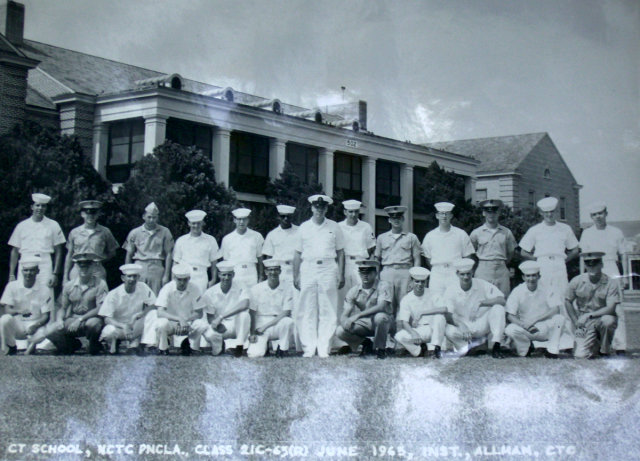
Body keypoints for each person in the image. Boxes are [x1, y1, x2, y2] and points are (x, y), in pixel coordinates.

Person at [293, 194, 345, 358]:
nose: (319, 210)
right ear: (311, 208)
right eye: (316, 207)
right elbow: (297, 253)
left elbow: (341, 252)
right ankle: (309, 348)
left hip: (328, 267)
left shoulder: (335, 227)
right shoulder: (303, 227)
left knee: (328, 309)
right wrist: (296, 275)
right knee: (307, 309)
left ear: (326, 209)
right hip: (308, 267)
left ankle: (324, 348)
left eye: (322, 207)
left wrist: (341, 274)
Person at [579, 201, 627, 354]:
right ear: (591, 217)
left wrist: (624, 277)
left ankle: (620, 346)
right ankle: (597, 344)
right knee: (594, 305)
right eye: (594, 215)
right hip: (593, 268)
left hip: (611, 267)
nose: (598, 217)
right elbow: (583, 256)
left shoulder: (616, 232)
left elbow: (623, 255)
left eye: (600, 213)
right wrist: (583, 275)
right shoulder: (587, 233)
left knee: (617, 308)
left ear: (606, 213)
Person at [519, 197, 579, 307]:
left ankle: (564, 322)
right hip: (542, 265)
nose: (549, 215)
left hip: (559, 264)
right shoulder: (535, 230)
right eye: (546, 212)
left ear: (556, 211)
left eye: (552, 212)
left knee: (562, 294)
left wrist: (564, 260)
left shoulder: (565, 228)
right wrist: (537, 261)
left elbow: (575, 250)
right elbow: (523, 251)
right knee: (543, 294)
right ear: (541, 213)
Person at [443, 258, 506, 358]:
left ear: (472, 272)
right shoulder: (451, 289)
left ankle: (496, 346)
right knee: (447, 329)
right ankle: (465, 348)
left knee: (498, 308)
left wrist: (482, 303)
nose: (466, 277)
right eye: (462, 274)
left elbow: (501, 300)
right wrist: (461, 324)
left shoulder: (481, 284)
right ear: (457, 274)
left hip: (480, 323)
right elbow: (447, 314)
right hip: (463, 327)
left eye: (468, 273)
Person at [48, 253, 108, 355]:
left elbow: (100, 308)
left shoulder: (100, 284)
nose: (83, 269)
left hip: (91, 318)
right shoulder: (69, 285)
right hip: (73, 318)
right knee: (50, 331)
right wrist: (59, 320)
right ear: (76, 267)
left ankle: (95, 345)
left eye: (87, 266)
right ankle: (72, 345)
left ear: (93, 266)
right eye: (81, 266)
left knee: (93, 325)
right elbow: (63, 307)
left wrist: (80, 319)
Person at [504, 261, 566, 358]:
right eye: (528, 276)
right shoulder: (517, 291)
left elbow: (555, 309)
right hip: (527, 328)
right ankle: (526, 349)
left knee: (560, 319)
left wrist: (535, 320)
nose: (531, 279)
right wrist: (523, 325)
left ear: (539, 276)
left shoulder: (547, 288)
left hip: (544, 326)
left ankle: (552, 351)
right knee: (510, 329)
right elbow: (510, 315)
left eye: (534, 275)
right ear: (523, 277)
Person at [142, 265, 207, 355]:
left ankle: (192, 347)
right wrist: (179, 320)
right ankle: (163, 348)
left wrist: (185, 321)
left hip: (188, 323)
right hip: (171, 323)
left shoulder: (195, 288)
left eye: (185, 279)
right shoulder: (166, 288)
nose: (182, 282)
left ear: (189, 278)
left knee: (202, 324)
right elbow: (160, 312)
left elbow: (199, 313)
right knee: (161, 323)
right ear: (174, 278)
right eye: (179, 279)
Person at [335, 260, 393, 359]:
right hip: (366, 323)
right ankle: (366, 344)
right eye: (362, 272)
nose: (365, 275)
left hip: (385, 323)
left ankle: (380, 349)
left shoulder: (383, 285)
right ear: (359, 273)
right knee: (340, 331)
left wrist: (357, 315)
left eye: (369, 272)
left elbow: (381, 307)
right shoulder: (354, 290)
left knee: (380, 317)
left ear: (375, 273)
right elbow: (345, 312)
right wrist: (345, 321)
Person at [565, 251, 619, 358]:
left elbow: (611, 308)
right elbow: (567, 301)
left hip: (601, 318)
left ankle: (605, 350)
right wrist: (576, 321)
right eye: (588, 264)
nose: (592, 267)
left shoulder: (610, 282)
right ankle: (595, 345)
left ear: (601, 264)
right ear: (585, 265)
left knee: (608, 321)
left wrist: (589, 315)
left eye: (595, 263)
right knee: (580, 355)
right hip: (584, 322)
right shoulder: (576, 281)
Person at [8, 193, 65, 291]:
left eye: (43, 206)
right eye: (37, 205)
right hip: (25, 263)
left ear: (46, 208)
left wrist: (55, 274)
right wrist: (11, 274)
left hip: (44, 264)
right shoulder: (21, 226)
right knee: (24, 295)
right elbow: (15, 251)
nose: (40, 208)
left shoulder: (53, 225)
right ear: (32, 207)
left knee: (45, 295)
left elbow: (59, 250)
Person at [98, 264, 156, 355]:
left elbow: (153, 305)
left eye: (135, 276)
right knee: (109, 331)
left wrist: (142, 313)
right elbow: (107, 318)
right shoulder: (114, 294)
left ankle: (147, 345)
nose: (132, 279)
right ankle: (112, 345)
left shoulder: (143, 287)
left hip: (135, 326)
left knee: (153, 314)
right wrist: (123, 326)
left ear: (138, 277)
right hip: (120, 328)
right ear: (123, 278)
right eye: (129, 276)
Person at [0, 256, 53, 355]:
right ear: (21, 271)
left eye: (32, 270)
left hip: (34, 324)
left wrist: (35, 326)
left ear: (38, 271)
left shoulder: (44, 289)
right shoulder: (12, 286)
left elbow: (46, 316)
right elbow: (7, 310)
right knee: (4, 319)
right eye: (26, 270)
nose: (28, 273)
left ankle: (32, 344)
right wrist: (19, 311)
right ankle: (11, 346)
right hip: (17, 324)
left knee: (44, 332)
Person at [197, 261, 251, 357]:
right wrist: (217, 324)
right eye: (224, 275)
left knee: (245, 315)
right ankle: (220, 346)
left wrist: (221, 316)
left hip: (236, 324)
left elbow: (245, 304)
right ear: (219, 275)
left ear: (233, 275)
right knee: (209, 334)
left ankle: (239, 346)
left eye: (229, 275)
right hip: (220, 325)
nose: (226, 278)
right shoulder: (210, 292)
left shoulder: (241, 285)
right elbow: (210, 317)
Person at [421, 202, 475, 298]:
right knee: (436, 301)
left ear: (451, 216)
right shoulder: (430, 236)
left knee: (457, 301)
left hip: (455, 273)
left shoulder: (461, 234)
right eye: (441, 213)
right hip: (437, 274)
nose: (444, 216)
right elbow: (428, 259)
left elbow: (467, 257)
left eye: (447, 213)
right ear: (437, 216)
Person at [374, 205, 421, 315]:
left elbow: (417, 259)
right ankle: (388, 330)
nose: (396, 221)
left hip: (405, 273)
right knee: (386, 304)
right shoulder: (381, 238)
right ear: (389, 220)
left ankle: (401, 330)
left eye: (399, 218)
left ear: (403, 219)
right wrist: (377, 276)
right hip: (387, 273)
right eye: (393, 218)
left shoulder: (411, 237)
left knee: (404, 303)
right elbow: (377, 259)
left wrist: (414, 278)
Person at [394, 267, 447, 359]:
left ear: (426, 282)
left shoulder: (432, 293)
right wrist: (413, 333)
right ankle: (419, 351)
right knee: (399, 336)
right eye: (417, 281)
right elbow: (404, 322)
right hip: (420, 330)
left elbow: (444, 309)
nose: (420, 284)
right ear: (412, 282)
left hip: (435, 329)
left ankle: (434, 349)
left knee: (440, 317)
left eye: (423, 282)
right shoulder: (407, 299)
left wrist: (423, 313)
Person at [246, 259, 295, 358]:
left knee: (288, 321)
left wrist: (266, 326)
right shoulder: (256, 288)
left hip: (278, 321)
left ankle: (282, 349)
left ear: (280, 271)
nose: (273, 272)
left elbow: (286, 312)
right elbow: (252, 312)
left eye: (276, 269)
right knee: (254, 355)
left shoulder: (287, 288)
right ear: (265, 272)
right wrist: (252, 333)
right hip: (261, 322)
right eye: (270, 270)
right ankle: (265, 346)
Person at [123, 202, 174, 295]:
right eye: (149, 217)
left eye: (154, 217)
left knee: (156, 298)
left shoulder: (165, 232)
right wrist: (128, 273)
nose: (151, 220)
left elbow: (169, 254)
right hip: (139, 268)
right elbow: (129, 254)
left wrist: (166, 275)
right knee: (138, 297)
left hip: (157, 269)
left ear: (157, 218)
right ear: (144, 217)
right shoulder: (135, 233)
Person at [64, 200, 119, 284]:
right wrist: (65, 276)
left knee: (99, 293)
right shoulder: (74, 232)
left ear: (98, 215)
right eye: (87, 213)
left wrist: (100, 259)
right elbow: (69, 255)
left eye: (93, 213)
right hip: (78, 267)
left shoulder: (105, 232)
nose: (90, 216)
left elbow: (112, 252)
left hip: (96, 269)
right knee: (75, 294)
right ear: (82, 214)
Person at [470, 199, 517, 297]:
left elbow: (511, 251)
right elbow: (470, 253)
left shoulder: (506, 232)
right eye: (488, 211)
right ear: (483, 213)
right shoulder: (476, 233)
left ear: (499, 213)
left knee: (503, 298)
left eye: (494, 211)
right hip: (484, 269)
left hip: (501, 269)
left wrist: (503, 263)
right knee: (482, 298)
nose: (491, 215)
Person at [338, 200, 376, 315]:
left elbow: (371, 247)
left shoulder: (366, 227)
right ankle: (342, 327)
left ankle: (361, 326)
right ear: (345, 212)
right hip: (344, 264)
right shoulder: (338, 227)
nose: (353, 215)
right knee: (343, 297)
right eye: (350, 212)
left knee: (361, 296)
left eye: (355, 212)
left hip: (361, 264)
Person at [172, 210, 219, 293]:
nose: (196, 226)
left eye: (198, 223)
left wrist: (213, 280)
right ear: (189, 223)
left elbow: (214, 263)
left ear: (203, 223)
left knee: (199, 303)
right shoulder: (181, 240)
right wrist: (173, 280)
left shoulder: (210, 240)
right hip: (184, 275)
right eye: (193, 223)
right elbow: (175, 262)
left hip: (201, 276)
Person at [219, 208, 264, 290]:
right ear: (234, 220)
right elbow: (226, 261)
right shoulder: (227, 239)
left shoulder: (256, 236)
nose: (241, 222)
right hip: (236, 273)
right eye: (239, 219)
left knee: (252, 298)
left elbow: (260, 258)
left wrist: (261, 277)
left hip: (251, 272)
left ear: (248, 220)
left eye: (244, 219)